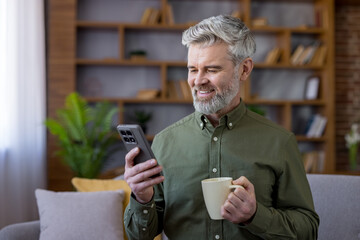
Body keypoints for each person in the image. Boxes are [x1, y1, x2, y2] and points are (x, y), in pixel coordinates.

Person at [123, 15, 319, 240]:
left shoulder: (279, 142)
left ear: (244, 70)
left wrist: (255, 215)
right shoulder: (164, 142)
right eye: (193, 69)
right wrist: (142, 198)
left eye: (212, 70)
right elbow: (140, 236)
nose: (198, 81)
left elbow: (309, 230)